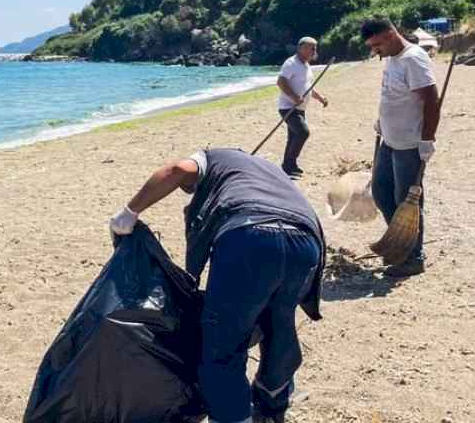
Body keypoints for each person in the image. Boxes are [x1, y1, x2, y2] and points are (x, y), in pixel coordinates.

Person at [109, 149, 325, 423]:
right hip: (306, 242)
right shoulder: (266, 170)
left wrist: (130, 211)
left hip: (250, 238)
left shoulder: (210, 157)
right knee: (278, 326)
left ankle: (233, 417)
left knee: (222, 344)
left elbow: (177, 170)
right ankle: (272, 409)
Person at [360, 17, 441, 278]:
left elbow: (430, 101)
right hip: (390, 140)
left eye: (377, 45)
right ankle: (400, 243)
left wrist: (427, 139)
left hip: (409, 144)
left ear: (391, 34)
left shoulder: (413, 59)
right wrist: (382, 121)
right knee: (382, 192)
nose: (376, 51)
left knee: (406, 200)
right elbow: (393, 94)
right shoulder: (393, 59)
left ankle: (412, 257)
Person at [275, 37, 328, 178]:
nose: (314, 51)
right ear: (301, 48)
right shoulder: (291, 63)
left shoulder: (306, 65)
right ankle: (289, 165)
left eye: (315, 48)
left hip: (300, 109)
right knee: (303, 132)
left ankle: (289, 166)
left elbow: (309, 88)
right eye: (311, 48)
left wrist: (321, 98)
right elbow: (280, 82)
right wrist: (293, 97)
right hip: (287, 107)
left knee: (293, 137)